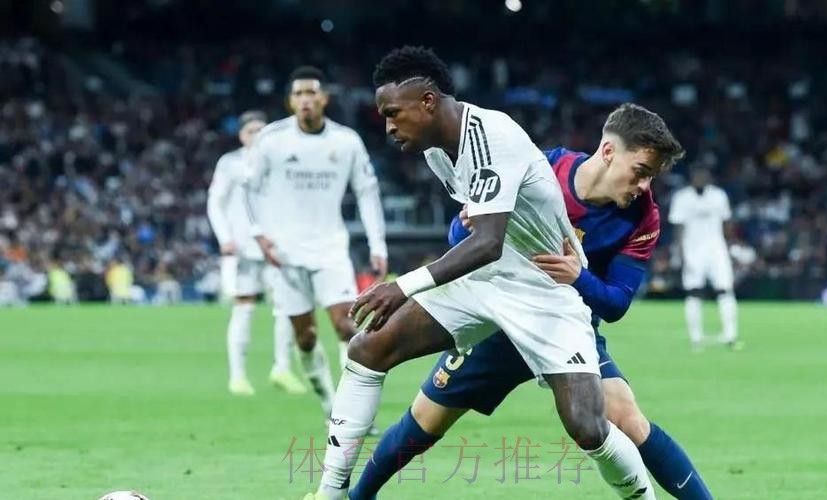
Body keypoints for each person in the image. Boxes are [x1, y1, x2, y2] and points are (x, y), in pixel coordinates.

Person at [305, 47, 658, 500]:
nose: (389, 127)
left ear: (427, 101)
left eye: (393, 113)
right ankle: (331, 493)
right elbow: (475, 234)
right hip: (486, 281)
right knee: (368, 347)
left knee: (588, 427)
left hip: (545, 292)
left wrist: (403, 287)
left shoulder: (493, 134)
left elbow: (487, 240)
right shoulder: (436, 151)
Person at [352, 106, 712, 500]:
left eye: (651, 176)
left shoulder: (644, 217)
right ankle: (356, 496)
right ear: (609, 151)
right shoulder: (540, 169)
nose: (644, 186)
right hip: (497, 319)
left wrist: (579, 277)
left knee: (628, 420)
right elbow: (463, 239)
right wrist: (466, 223)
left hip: (565, 327)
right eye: (640, 171)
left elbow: (616, 304)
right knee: (425, 420)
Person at [245, 67, 388, 418]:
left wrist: (377, 245)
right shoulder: (272, 139)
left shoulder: (346, 141)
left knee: (346, 327)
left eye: (311, 93)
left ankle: (350, 411)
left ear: (324, 98)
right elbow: (249, 189)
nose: (305, 100)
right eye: (299, 94)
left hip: (330, 249)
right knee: (306, 337)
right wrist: (259, 234)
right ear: (290, 102)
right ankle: (328, 404)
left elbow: (367, 192)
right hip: (285, 254)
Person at [207, 110, 306, 396]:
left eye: (262, 131)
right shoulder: (230, 164)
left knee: (287, 308)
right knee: (244, 308)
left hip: (277, 248)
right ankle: (237, 376)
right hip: (243, 248)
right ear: (241, 135)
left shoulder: (282, 161)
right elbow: (215, 202)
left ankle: (282, 369)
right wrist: (225, 238)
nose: (257, 136)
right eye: (251, 131)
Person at [668, 168, 741, 351]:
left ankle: (730, 335)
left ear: (708, 177)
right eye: (697, 176)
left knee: (725, 290)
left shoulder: (718, 196)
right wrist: (680, 253)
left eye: (703, 176)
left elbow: (726, 223)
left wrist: (730, 247)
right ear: (692, 177)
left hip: (717, 249)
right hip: (693, 251)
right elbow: (678, 228)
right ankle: (696, 337)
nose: (700, 178)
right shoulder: (682, 197)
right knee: (694, 292)